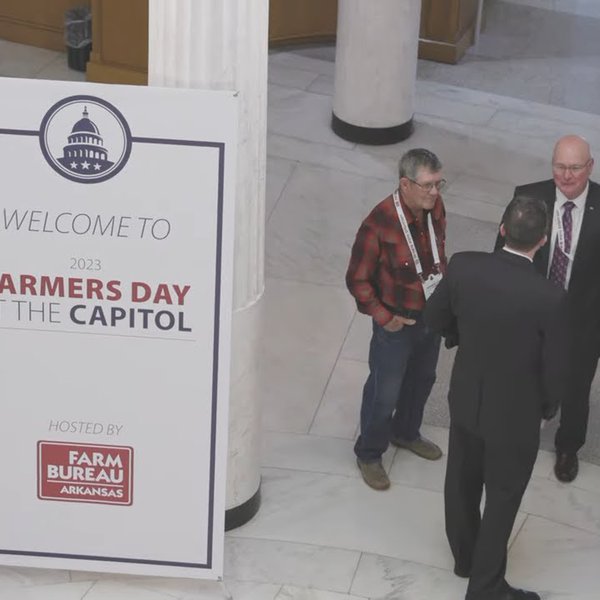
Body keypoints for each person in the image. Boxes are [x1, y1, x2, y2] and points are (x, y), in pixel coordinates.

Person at [425, 196, 567, 600]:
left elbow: (435, 318)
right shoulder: (549, 297)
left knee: (461, 481)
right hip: (515, 417)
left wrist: (461, 336)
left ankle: (465, 559)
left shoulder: (465, 265)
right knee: (502, 498)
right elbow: (556, 368)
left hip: (467, 398)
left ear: (502, 229)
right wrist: (547, 408)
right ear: (542, 241)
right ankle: (485, 587)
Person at [495, 134, 600, 483]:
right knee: (525, 374)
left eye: (574, 168)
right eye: (559, 166)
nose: (566, 176)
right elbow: (504, 256)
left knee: (577, 386)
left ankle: (568, 446)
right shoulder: (528, 196)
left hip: (583, 317)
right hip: (533, 313)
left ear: (590, 167)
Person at [346, 148, 447, 491]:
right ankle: (370, 453)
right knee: (384, 391)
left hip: (430, 317)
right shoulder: (379, 223)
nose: (436, 192)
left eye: (439, 184)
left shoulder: (435, 209)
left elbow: (437, 256)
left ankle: (405, 433)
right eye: (428, 185)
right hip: (396, 324)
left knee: (423, 380)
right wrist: (383, 316)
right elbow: (357, 279)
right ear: (405, 184)